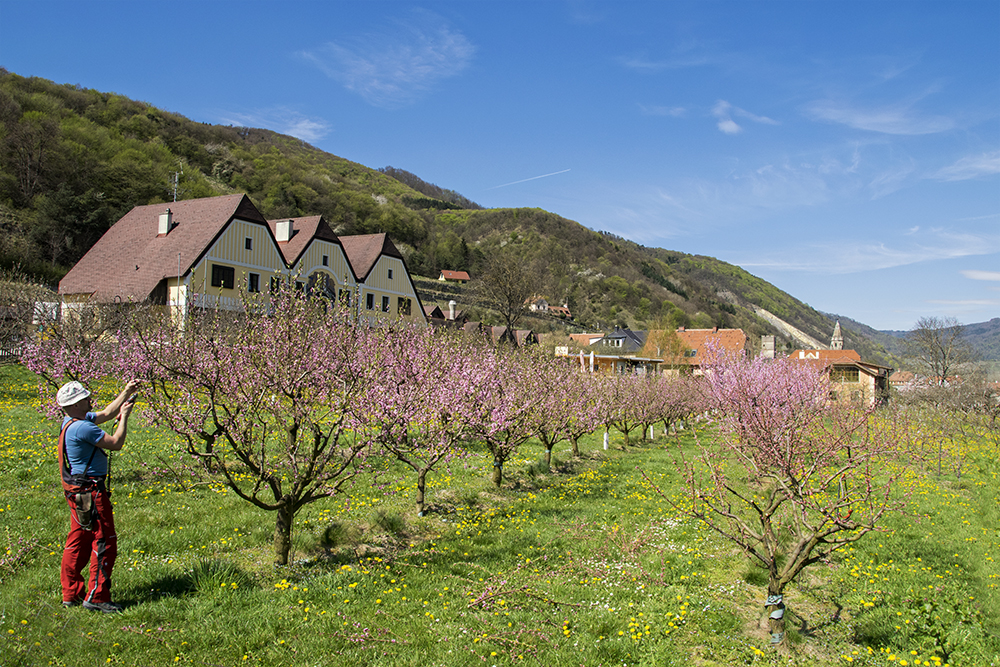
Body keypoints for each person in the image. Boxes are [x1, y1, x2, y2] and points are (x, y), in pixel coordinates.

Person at [56, 379, 138, 613]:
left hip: (77, 493)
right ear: (73, 405)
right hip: (91, 493)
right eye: (83, 399)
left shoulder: (72, 422)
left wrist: (125, 392)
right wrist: (124, 420)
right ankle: (97, 595)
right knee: (104, 541)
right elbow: (116, 443)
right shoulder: (83, 427)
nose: (88, 400)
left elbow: (104, 413)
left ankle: (71, 592)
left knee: (78, 541)